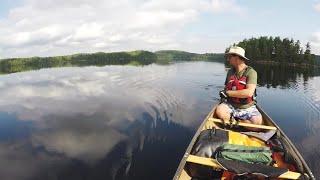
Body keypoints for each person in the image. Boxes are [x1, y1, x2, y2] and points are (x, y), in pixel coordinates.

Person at [215, 46, 262, 127]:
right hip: (230, 105)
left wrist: (227, 93)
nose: (228, 59)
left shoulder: (251, 72)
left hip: (247, 107)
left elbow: (249, 93)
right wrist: (224, 93)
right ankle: (237, 122)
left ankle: (235, 121)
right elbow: (226, 87)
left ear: (237, 57)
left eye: (230, 57)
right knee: (219, 110)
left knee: (257, 123)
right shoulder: (230, 72)